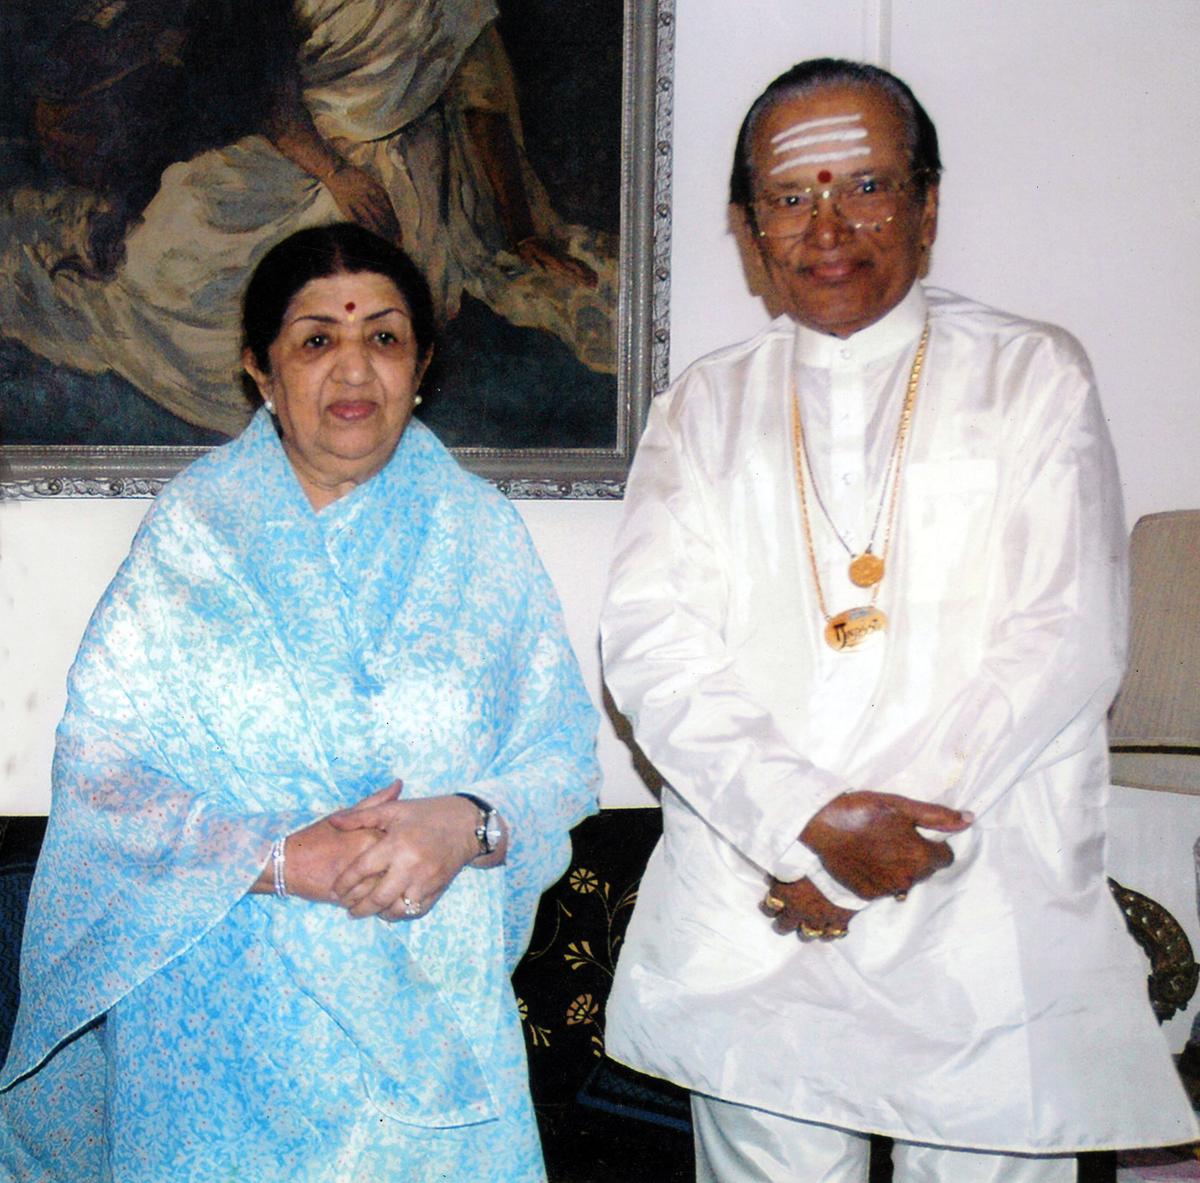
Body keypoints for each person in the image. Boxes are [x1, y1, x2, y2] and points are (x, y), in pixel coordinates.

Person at [599, 58, 1197, 1182]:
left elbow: (1064, 640)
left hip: (981, 900)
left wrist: (860, 852)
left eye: (867, 185)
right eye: (790, 196)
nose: (829, 226)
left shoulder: (1032, 375)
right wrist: (802, 825)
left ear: (928, 205)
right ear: (746, 228)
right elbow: (651, 648)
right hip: (759, 903)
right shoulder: (699, 409)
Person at [0, 222, 599, 1179]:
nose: (354, 368)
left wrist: (467, 822)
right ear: (262, 374)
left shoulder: (483, 540)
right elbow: (101, 774)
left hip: (431, 1016)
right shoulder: (190, 544)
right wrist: (280, 857)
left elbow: (562, 756)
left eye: (385, 337)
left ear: (422, 364)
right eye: (317, 339)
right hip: (222, 1034)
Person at [1, 0, 614, 435]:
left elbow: (484, 105)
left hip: (401, 159)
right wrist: (333, 171)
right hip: (308, 148)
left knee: (338, 285)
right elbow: (270, 90)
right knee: (172, 251)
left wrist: (521, 227)